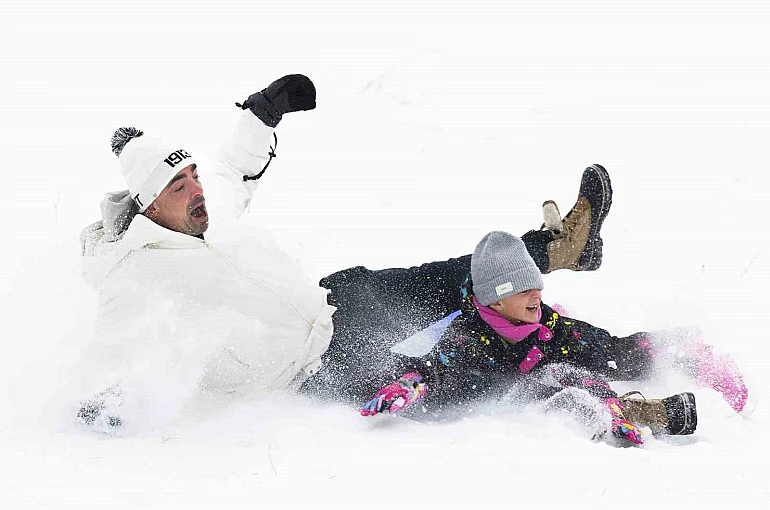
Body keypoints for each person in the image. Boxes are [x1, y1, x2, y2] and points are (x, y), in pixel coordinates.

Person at [76, 74, 617, 432]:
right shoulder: (137, 268)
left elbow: (232, 171)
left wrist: (260, 116)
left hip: (330, 300)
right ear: (149, 205)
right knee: (451, 374)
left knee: (445, 277)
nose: (197, 190)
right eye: (179, 185)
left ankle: (559, 247)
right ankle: (575, 375)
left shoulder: (204, 208)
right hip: (308, 365)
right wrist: (102, 399)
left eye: (192, 175)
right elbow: (113, 339)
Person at [352, 231, 712, 445]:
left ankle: (681, 356)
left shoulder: (550, 325)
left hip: (545, 363)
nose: (536, 295)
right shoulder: (467, 336)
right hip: (504, 391)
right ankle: (647, 412)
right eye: (523, 289)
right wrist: (409, 385)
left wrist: (664, 354)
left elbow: (603, 356)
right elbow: (433, 370)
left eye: (536, 286)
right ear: (495, 299)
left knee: (607, 356)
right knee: (561, 389)